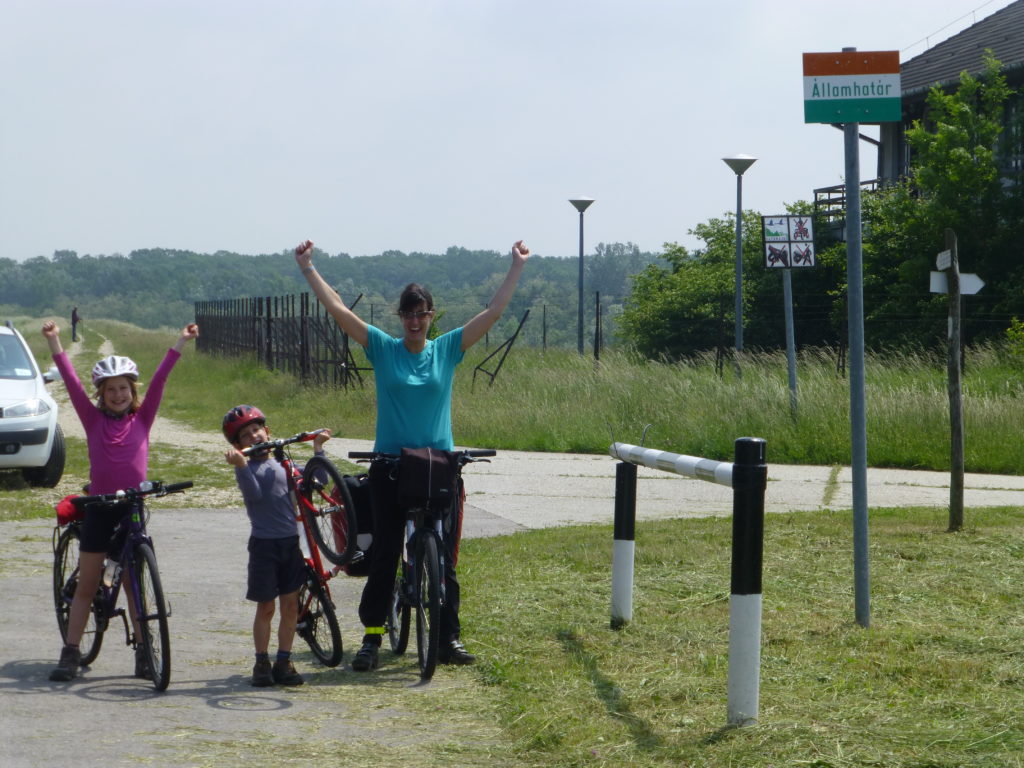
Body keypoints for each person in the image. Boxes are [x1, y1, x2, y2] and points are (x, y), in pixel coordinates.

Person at [294, 237, 529, 672]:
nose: (415, 321)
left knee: (445, 556)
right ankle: (372, 637)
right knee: (385, 553)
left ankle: (448, 638)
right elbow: (340, 312)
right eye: (408, 314)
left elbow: (493, 313)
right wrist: (309, 268)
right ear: (400, 317)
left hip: (438, 467)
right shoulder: (383, 348)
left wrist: (515, 266)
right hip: (390, 467)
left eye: (422, 313)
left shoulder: (448, 349)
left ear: (431, 315)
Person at [44, 320, 199, 682]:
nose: (117, 395)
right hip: (99, 508)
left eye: (124, 388)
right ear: (101, 394)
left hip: (132, 507)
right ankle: (70, 652)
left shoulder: (142, 419)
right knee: (88, 583)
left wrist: (180, 341)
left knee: (133, 584)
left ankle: (144, 653)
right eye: (111, 390)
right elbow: (70, 380)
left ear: (133, 391)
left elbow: (160, 378)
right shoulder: (92, 420)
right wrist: (53, 341)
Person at [222, 405, 331, 687]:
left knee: (291, 606)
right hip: (264, 546)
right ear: (238, 445)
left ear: (267, 432)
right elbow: (255, 496)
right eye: (246, 435)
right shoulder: (247, 469)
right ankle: (261, 661)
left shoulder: (286, 465)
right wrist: (242, 466)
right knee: (266, 607)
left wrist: (318, 450)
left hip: (290, 543)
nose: (254, 436)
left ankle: (284, 660)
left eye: (257, 430)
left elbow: (319, 480)